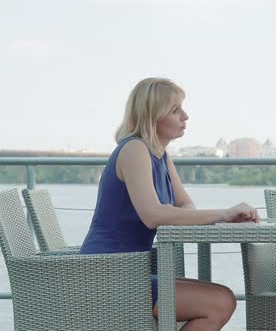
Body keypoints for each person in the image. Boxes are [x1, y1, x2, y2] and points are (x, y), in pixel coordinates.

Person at [80, 77, 259, 331]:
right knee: (219, 302)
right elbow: (153, 215)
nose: (185, 116)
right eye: (176, 110)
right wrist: (224, 214)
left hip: (129, 272)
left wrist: (210, 215)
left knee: (219, 296)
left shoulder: (160, 154)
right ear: (153, 115)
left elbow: (184, 203)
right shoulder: (134, 149)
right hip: (106, 273)